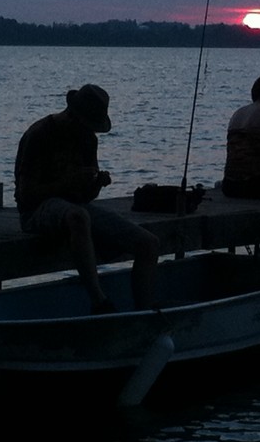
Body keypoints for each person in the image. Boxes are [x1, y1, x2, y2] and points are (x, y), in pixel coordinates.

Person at [14, 84, 160, 313]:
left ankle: (146, 312)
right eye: (87, 125)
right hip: (36, 211)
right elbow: (26, 195)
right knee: (78, 216)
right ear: (72, 116)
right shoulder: (39, 134)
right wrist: (67, 182)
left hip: (75, 207)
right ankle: (99, 301)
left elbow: (86, 196)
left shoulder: (88, 140)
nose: (89, 132)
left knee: (149, 243)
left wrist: (96, 184)